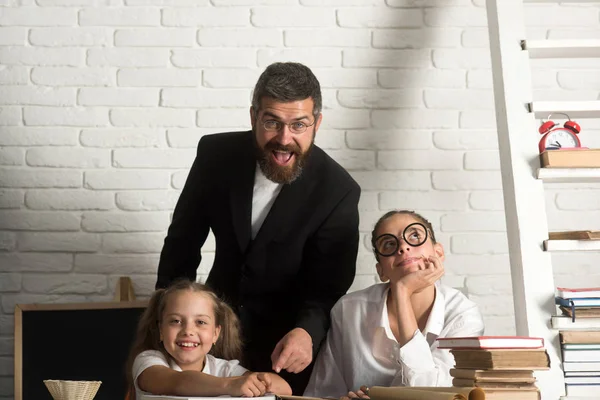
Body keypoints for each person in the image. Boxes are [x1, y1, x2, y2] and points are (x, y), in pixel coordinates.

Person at [155, 62, 361, 394]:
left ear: (317, 123)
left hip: (285, 346)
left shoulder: (338, 191)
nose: (284, 138)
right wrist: (163, 319)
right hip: (211, 334)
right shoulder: (215, 155)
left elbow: (327, 288)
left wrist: (306, 332)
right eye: (271, 122)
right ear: (253, 117)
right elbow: (183, 242)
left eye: (298, 125)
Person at [304, 210, 485, 398]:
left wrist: (402, 292)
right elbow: (322, 393)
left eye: (415, 236)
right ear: (381, 271)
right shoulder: (349, 309)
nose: (403, 247)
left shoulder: (463, 316)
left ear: (438, 253)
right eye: (389, 244)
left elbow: (432, 393)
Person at [126, 280, 292, 399]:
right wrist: (230, 386)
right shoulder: (147, 361)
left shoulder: (224, 369)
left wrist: (261, 382)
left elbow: (284, 389)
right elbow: (178, 382)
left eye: (201, 322)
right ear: (161, 330)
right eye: (176, 321)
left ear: (215, 334)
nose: (188, 331)